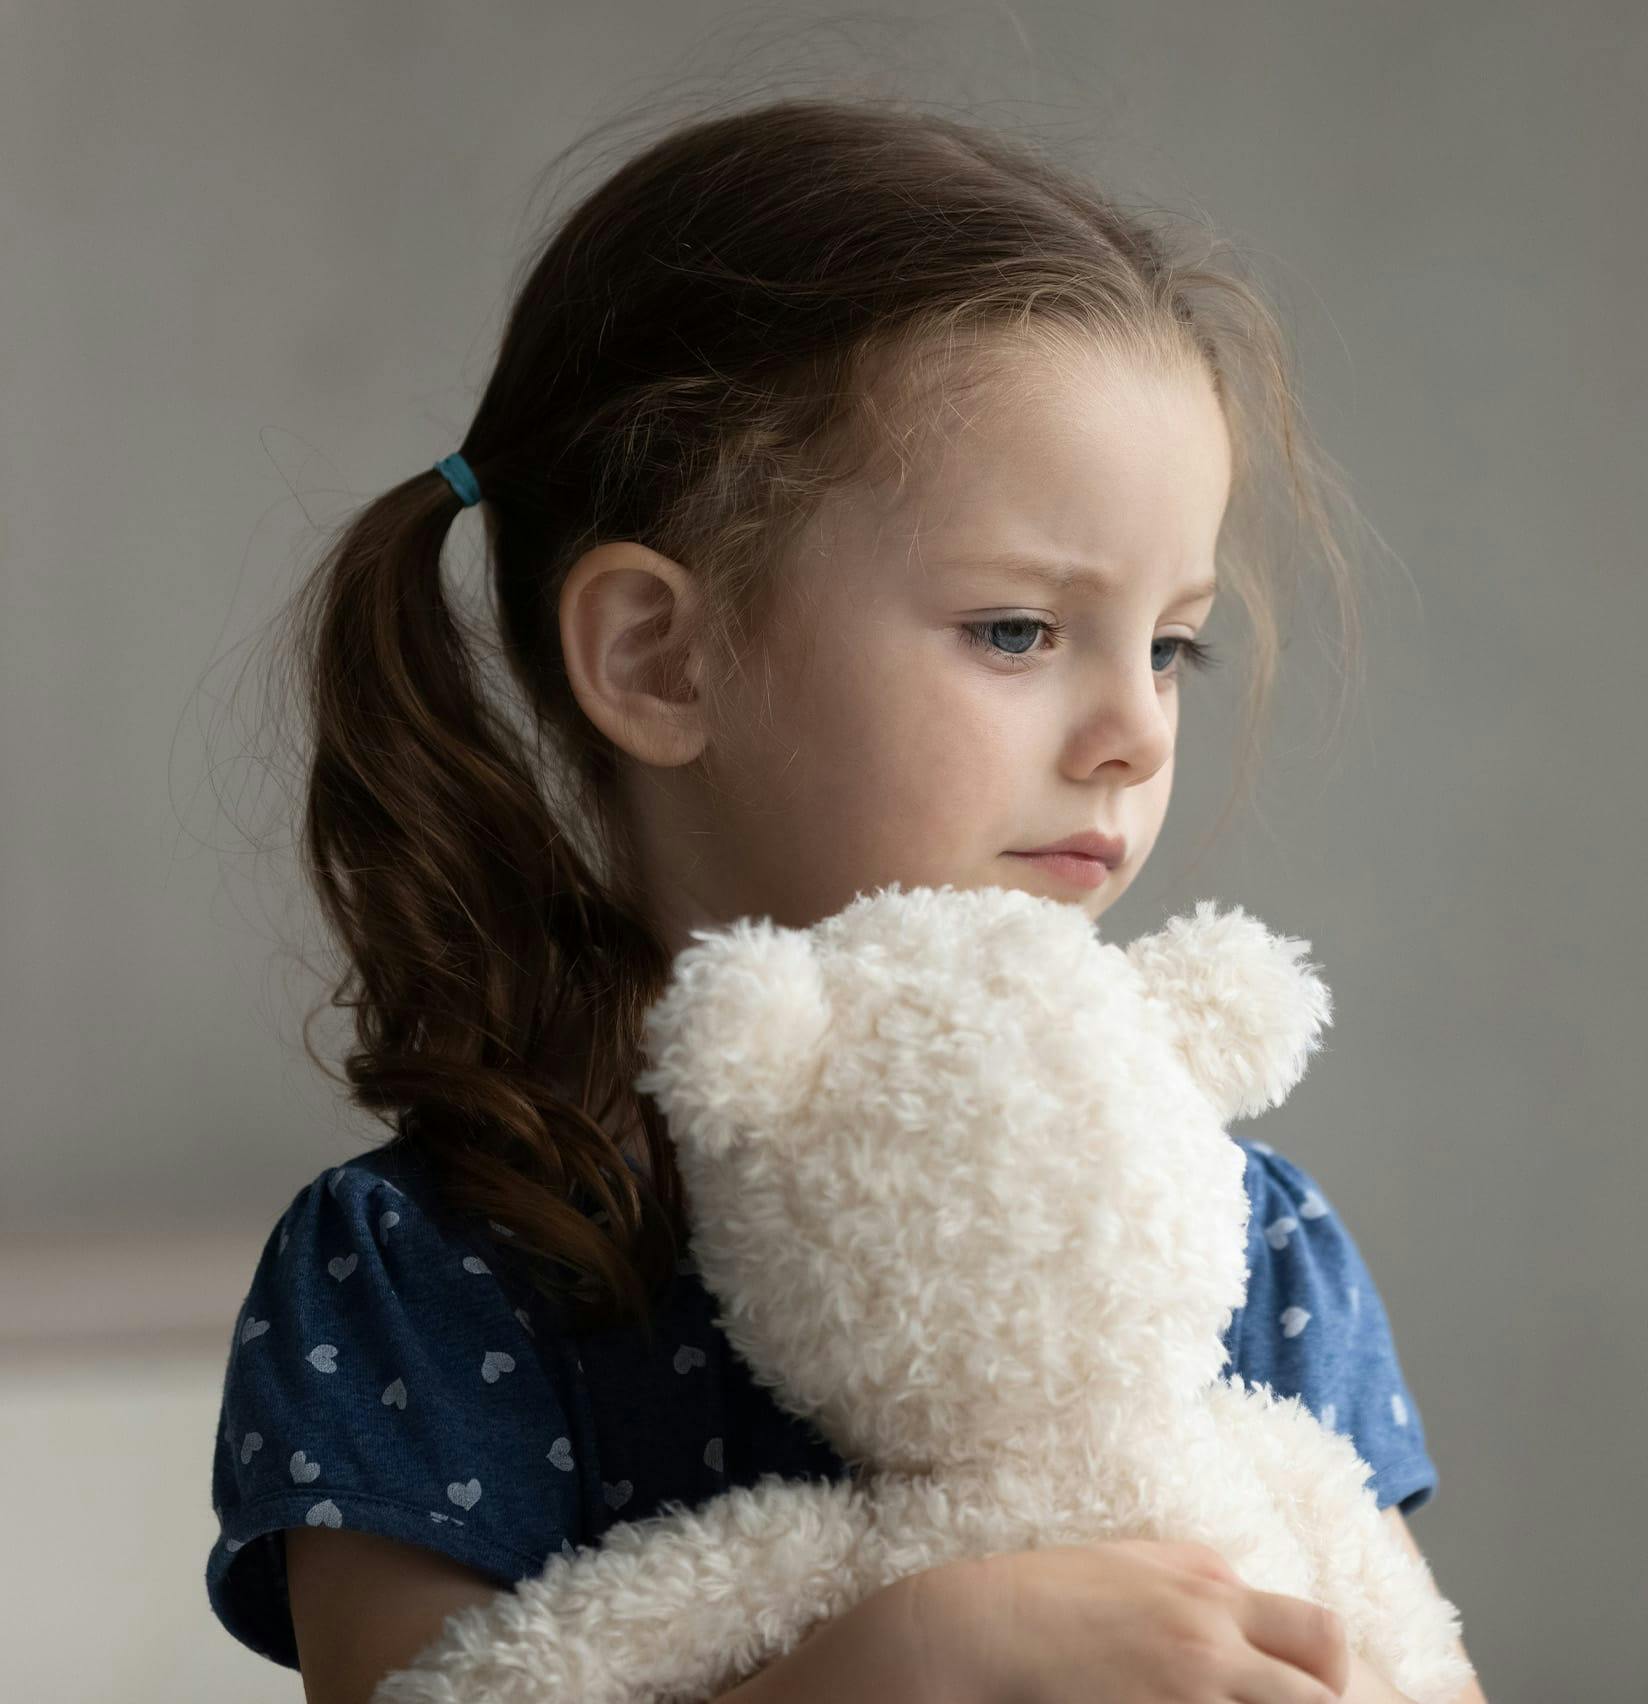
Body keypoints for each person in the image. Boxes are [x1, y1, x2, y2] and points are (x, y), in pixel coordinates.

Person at [205, 95, 1484, 1704]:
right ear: (661, 659)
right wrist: (897, 1665)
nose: (1136, 732)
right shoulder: (426, 1272)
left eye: (1170, 644)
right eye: (1019, 631)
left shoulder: (1243, 1243)